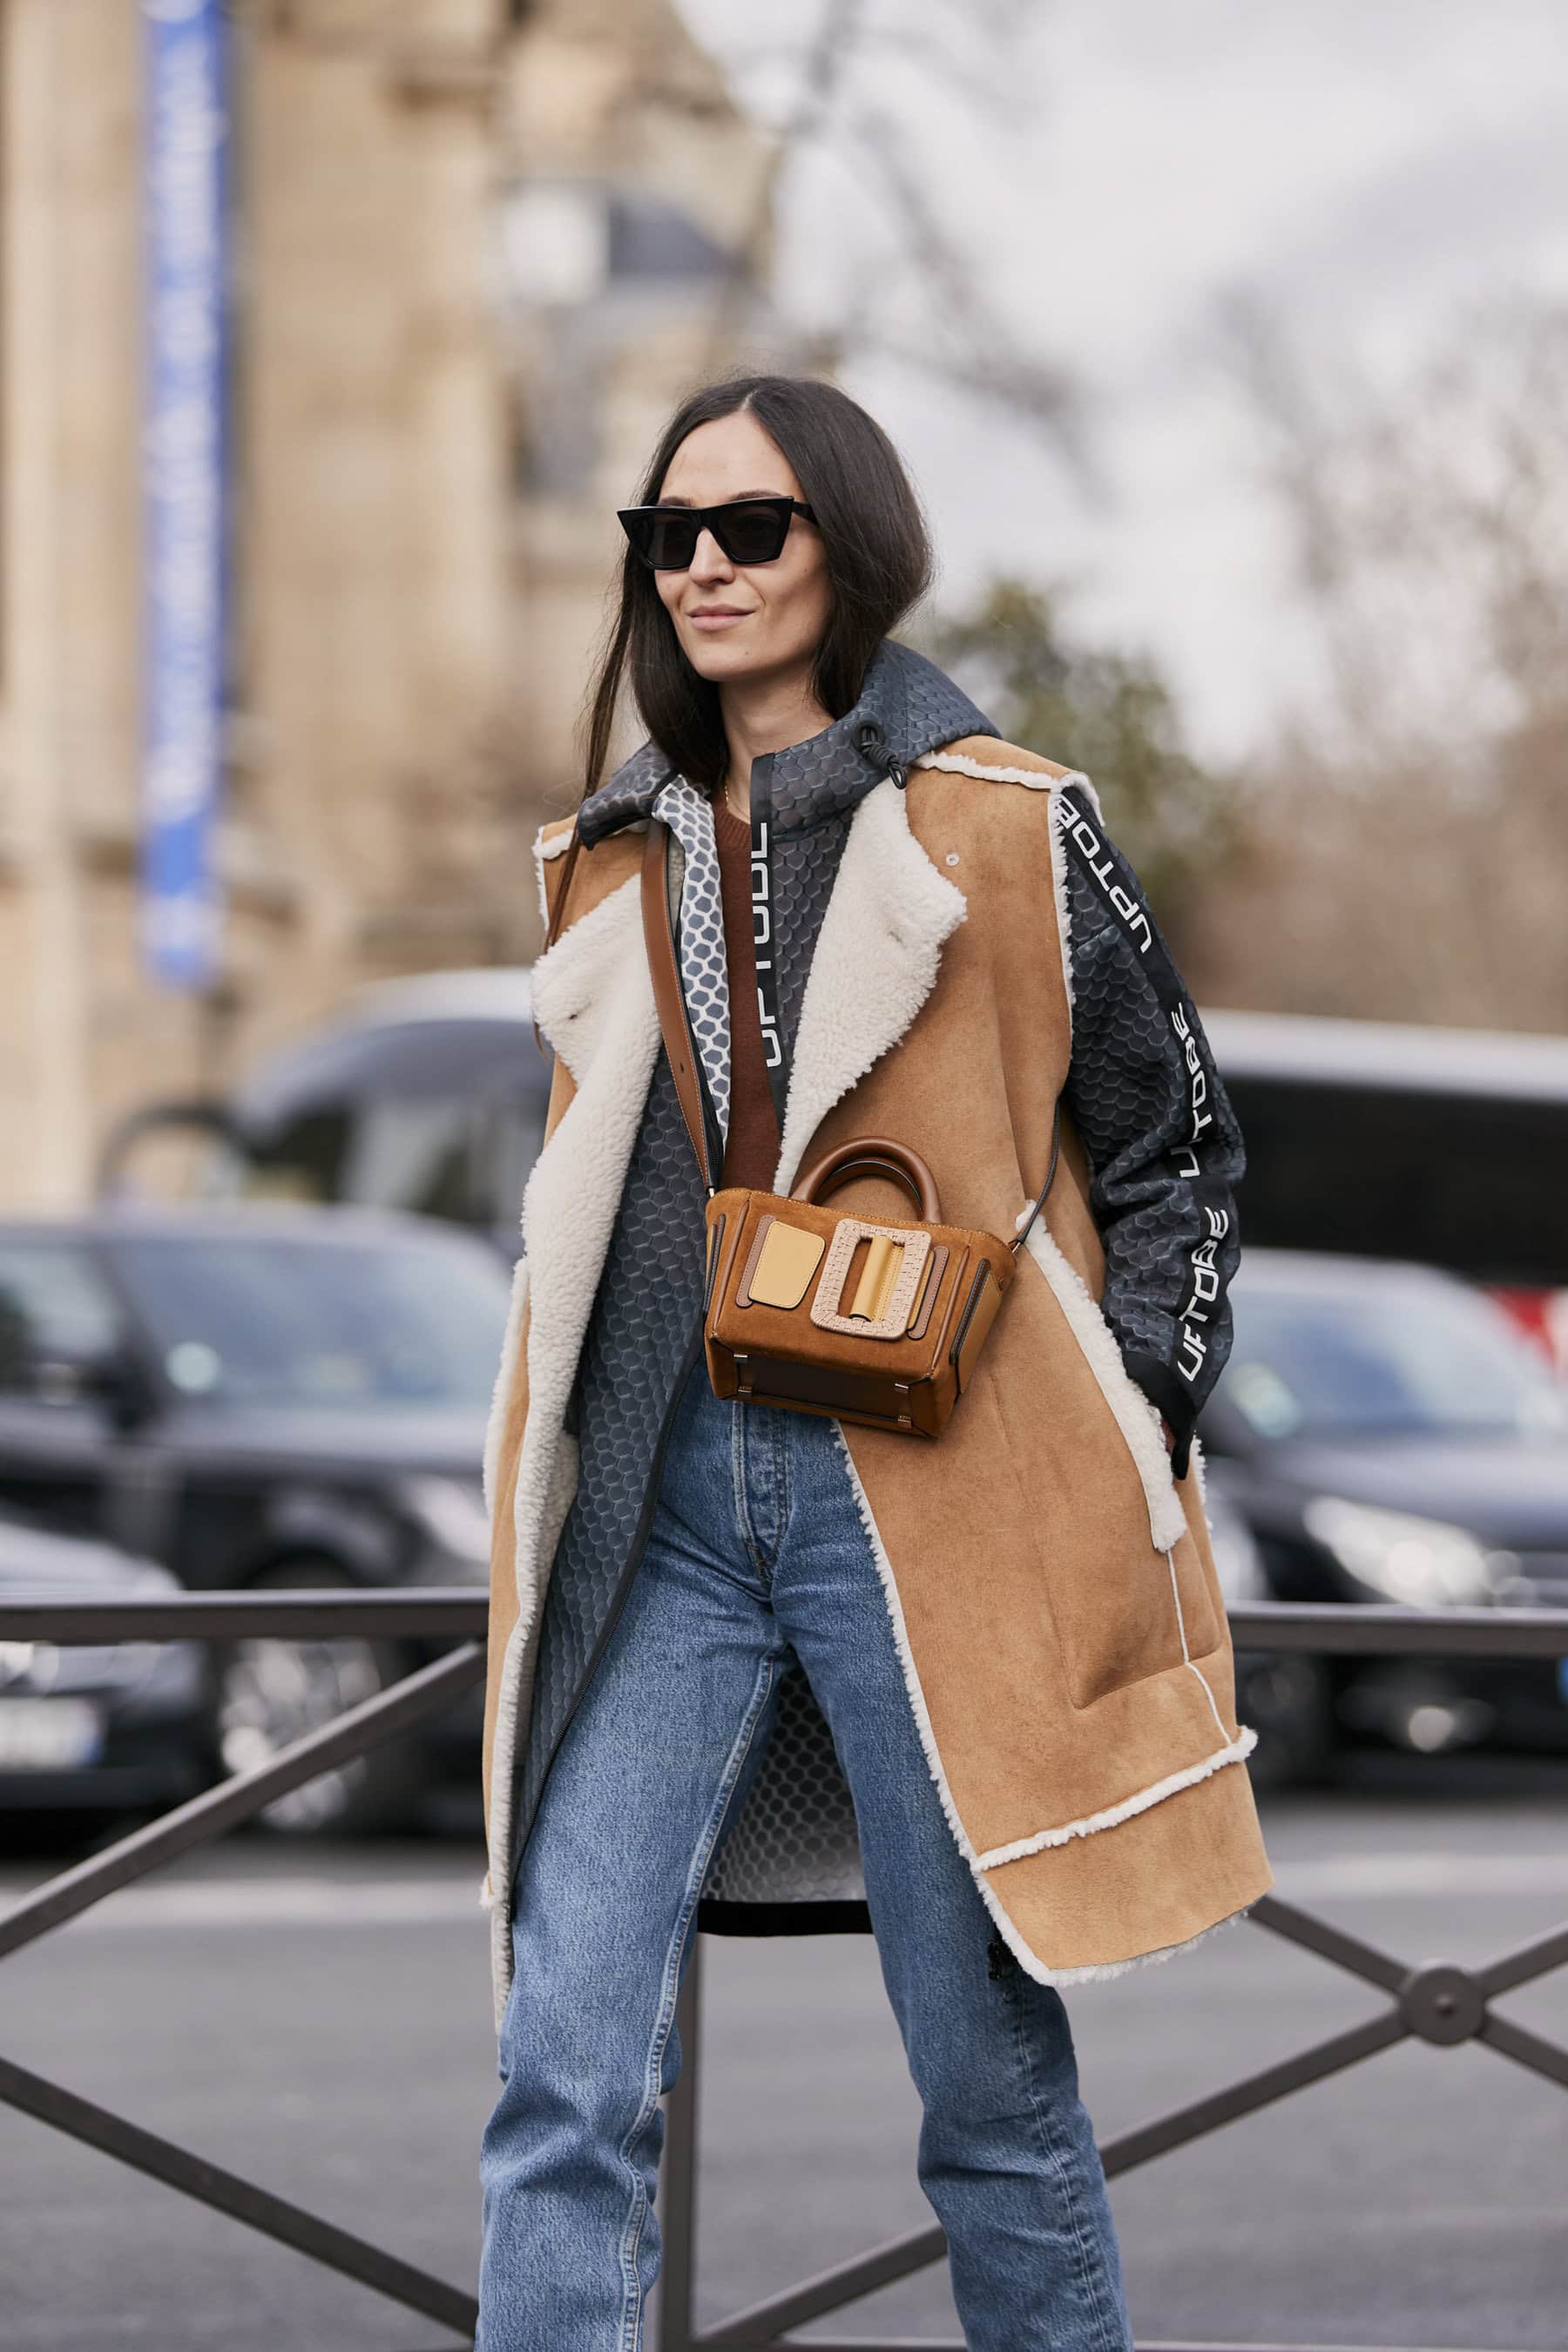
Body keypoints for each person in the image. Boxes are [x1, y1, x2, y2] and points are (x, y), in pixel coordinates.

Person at [476, 373, 1273, 2349]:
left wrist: (1123, 1418)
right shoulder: (603, 857)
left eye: (753, 529)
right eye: (672, 536)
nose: (706, 570)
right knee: (560, 2066)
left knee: (988, 2096)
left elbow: (1180, 1146)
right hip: (658, 1514)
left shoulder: (1008, 827)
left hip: (927, 1511)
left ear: (854, 546)